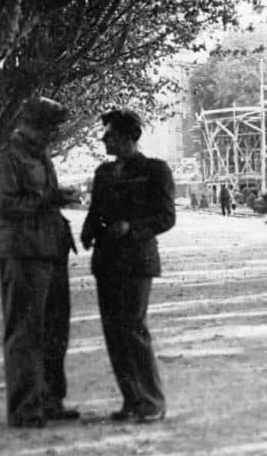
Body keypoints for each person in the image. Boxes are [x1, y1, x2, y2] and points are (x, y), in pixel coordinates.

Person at [0, 96, 81, 428]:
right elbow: (4, 208)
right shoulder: (7, 159)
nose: (52, 136)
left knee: (55, 331)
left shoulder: (40, 157)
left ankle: (49, 400)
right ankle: (24, 408)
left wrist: (53, 199)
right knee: (26, 333)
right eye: (49, 129)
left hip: (50, 251)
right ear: (32, 125)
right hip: (24, 254)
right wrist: (49, 199)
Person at [81, 109, 175, 423]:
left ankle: (152, 402)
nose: (103, 138)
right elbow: (95, 211)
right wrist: (87, 231)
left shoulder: (155, 170)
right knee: (113, 333)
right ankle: (131, 401)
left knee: (133, 328)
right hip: (106, 262)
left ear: (126, 136)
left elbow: (166, 217)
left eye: (108, 133)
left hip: (137, 261)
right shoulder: (103, 173)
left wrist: (132, 228)